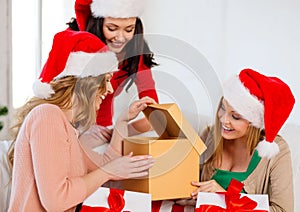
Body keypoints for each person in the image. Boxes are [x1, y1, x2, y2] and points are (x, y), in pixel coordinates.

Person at [7, 29, 155, 211]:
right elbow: (56, 201)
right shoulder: (47, 116)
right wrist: (108, 171)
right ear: (88, 81)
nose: (109, 89)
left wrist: (122, 122)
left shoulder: (67, 127)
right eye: (106, 80)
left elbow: (105, 165)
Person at [177, 68, 295, 211]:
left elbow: (284, 210)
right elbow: (190, 186)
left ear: (254, 123)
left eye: (236, 116)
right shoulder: (210, 136)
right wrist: (187, 196)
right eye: (222, 107)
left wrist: (224, 197)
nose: (223, 120)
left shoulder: (277, 151)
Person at [68, 0, 159, 143]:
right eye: (112, 28)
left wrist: (116, 132)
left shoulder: (135, 54)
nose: (121, 38)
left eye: (129, 30)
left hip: (102, 132)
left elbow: (154, 114)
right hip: (66, 128)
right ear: (98, 23)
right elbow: (53, 94)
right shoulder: (73, 41)